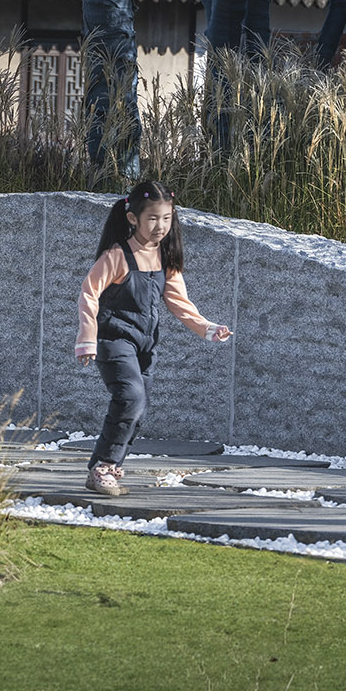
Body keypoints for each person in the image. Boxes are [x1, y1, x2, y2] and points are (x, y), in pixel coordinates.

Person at [76, 180, 231, 496]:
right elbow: (89, 294)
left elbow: (179, 302)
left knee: (138, 409)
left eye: (166, 218)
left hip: (145, 346)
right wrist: (87, 337)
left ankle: (106, 468)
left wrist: (207, 327)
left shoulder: (165, 257)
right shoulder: (116, 256)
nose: (160, 226)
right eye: (152, 219)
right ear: (132, 218)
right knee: (130, 398)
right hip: (113, 340)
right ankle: (104, 467)